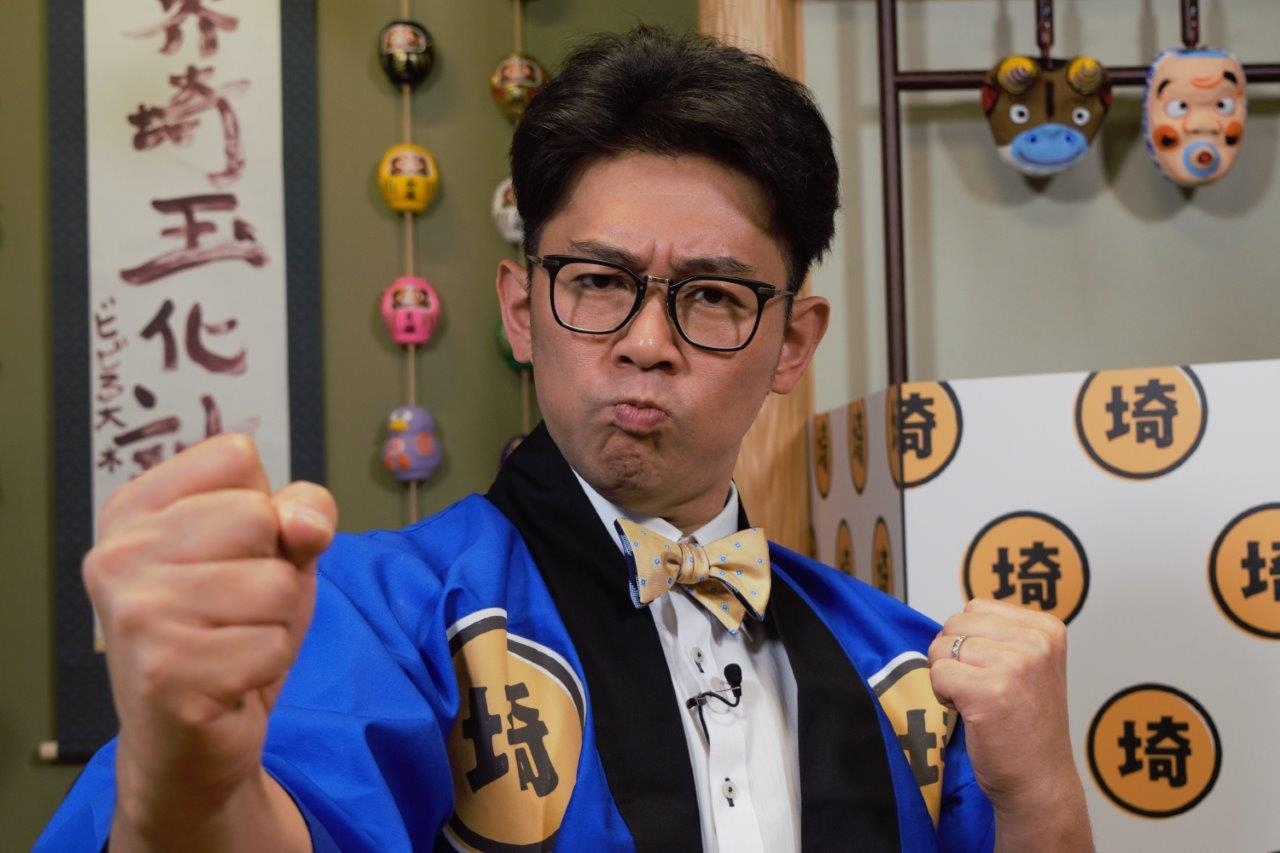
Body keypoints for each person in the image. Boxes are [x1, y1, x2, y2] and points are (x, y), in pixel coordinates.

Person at [39, 26, 1091, 852]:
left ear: (790, 344)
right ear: (520, 309)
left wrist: (1044, 794)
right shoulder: (373, 613)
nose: (646, 343)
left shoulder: (907, 666)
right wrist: (189, 772)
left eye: (714, 297)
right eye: (595, 281)